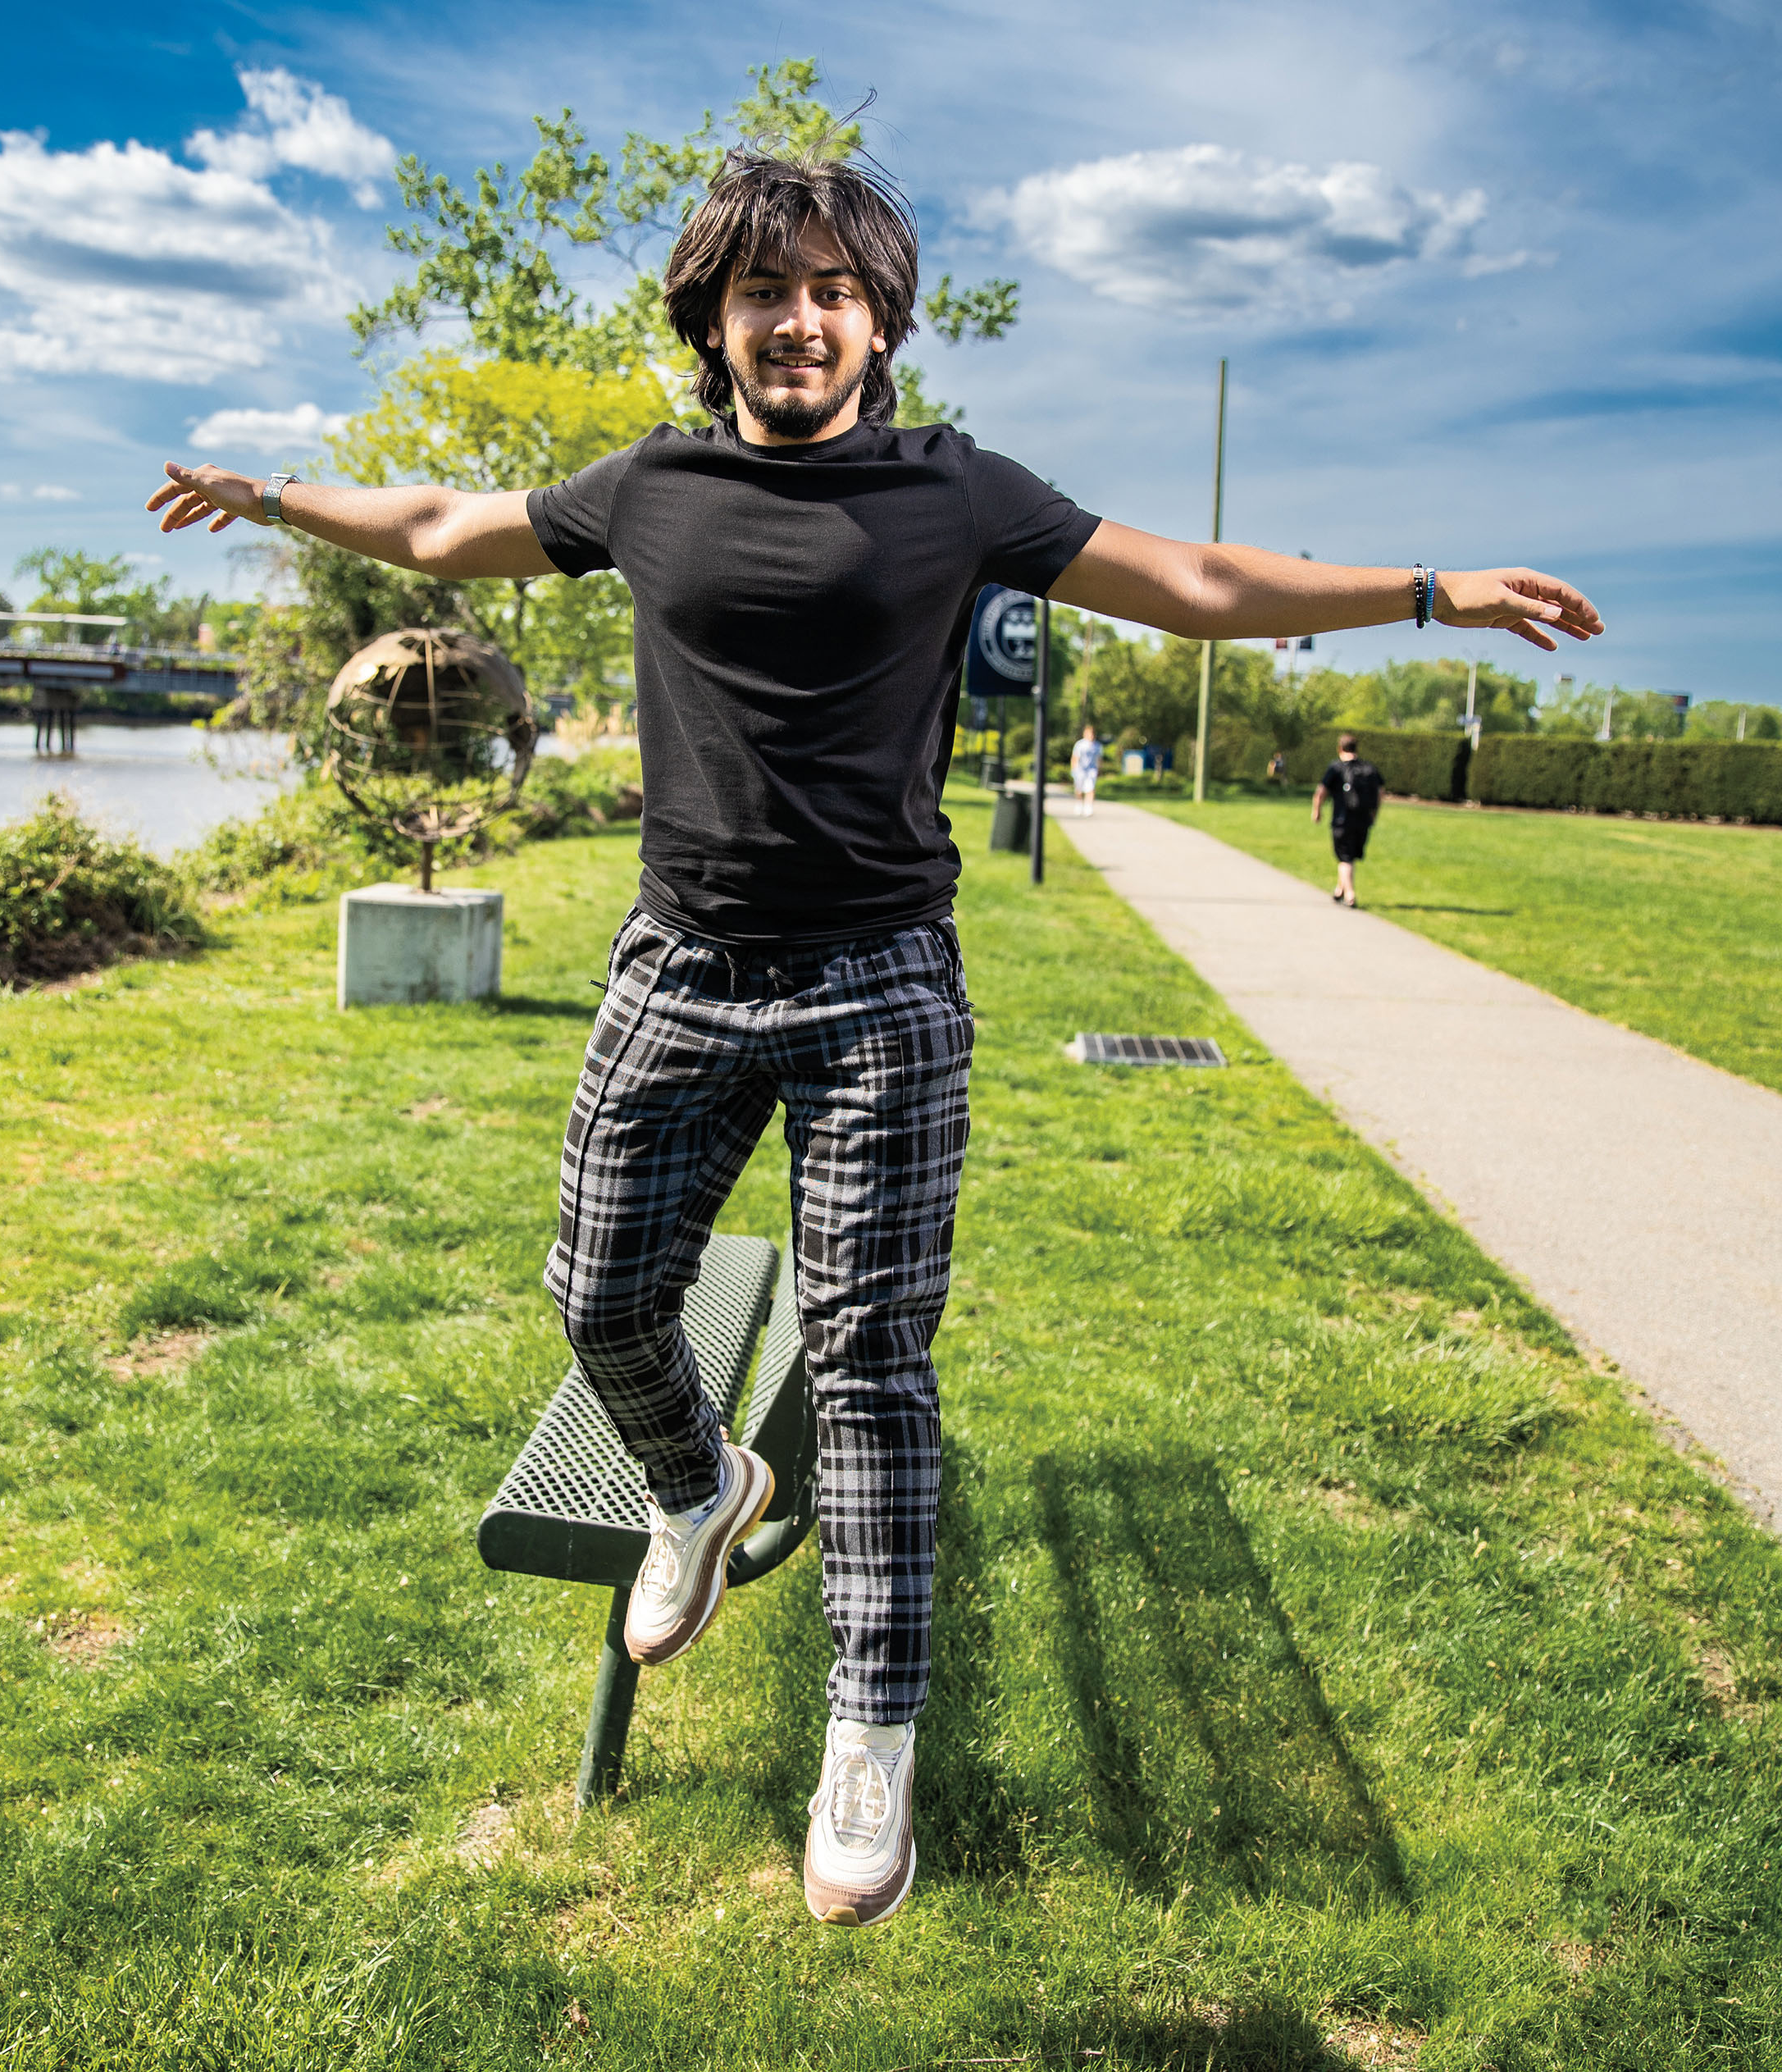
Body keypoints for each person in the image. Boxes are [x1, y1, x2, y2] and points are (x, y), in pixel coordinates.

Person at [145, 146, 1601, 1930]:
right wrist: (272, 496)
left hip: (882, 992)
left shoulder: (957, 491)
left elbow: (1204, 585)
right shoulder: (650, 487)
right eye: (765, 292)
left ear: (882, 321)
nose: (800, 319)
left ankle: (871, 1728)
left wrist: (1437, 593)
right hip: (678, 967)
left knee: (869, 1364)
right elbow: (452, 531)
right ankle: (696, 1487)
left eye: (834, 290)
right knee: (598, 1290)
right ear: (716, 320)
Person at [1314, 732, 1383, 906]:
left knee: (1345, 858)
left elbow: (1321, 791)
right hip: (1363, 820)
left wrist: (1317, 811)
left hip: (1342, 820)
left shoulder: (1336, 768)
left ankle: (1350, 895)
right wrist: (1374, 814)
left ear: (1340, 748)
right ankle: (1340, 890)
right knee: (1349, 856)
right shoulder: (1369, 769)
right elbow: (1380, 793)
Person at [1070, 723, 1103, 816]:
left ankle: (1088, 807)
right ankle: (1079, 804)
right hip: (1080, 770)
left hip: (1091, 770)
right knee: (1079, 789)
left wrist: (1100, 769)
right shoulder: (1080, 744)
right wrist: (1074, 769)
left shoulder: (1097, 746)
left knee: (1091, 788)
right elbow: (1075, 757)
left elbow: (1099, 759)